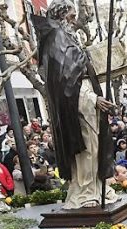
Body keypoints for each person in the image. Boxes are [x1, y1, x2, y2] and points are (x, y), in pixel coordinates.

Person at [32, 0, 117, 209]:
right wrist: (92, 98)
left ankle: (98, 186)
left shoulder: (65, 38)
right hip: (79, 104)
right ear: (60, 17)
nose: (73, 22)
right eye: (70, 17)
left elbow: (75, 72)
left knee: (95, 148)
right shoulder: (57, 40)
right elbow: (66, 82)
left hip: (84, 100)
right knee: (87, 149)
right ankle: (87, 191)